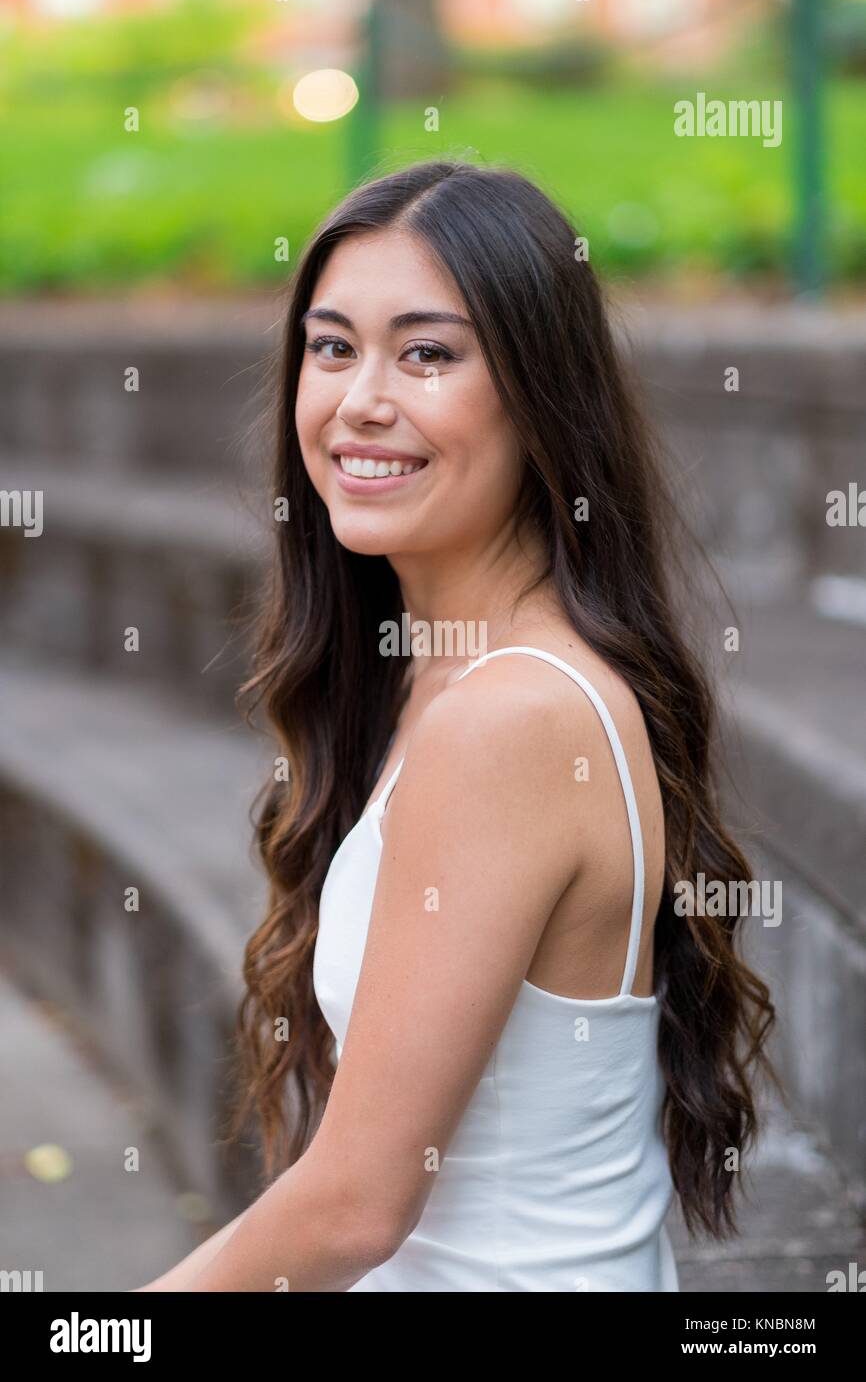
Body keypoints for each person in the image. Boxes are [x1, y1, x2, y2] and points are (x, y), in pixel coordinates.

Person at [137, 157, 778, 1292]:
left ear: (541, 397)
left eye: (426, 352)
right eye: (331, 347)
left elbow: (353, 1209)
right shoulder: (456, 674)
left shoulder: (510, 719)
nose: (359, 400)